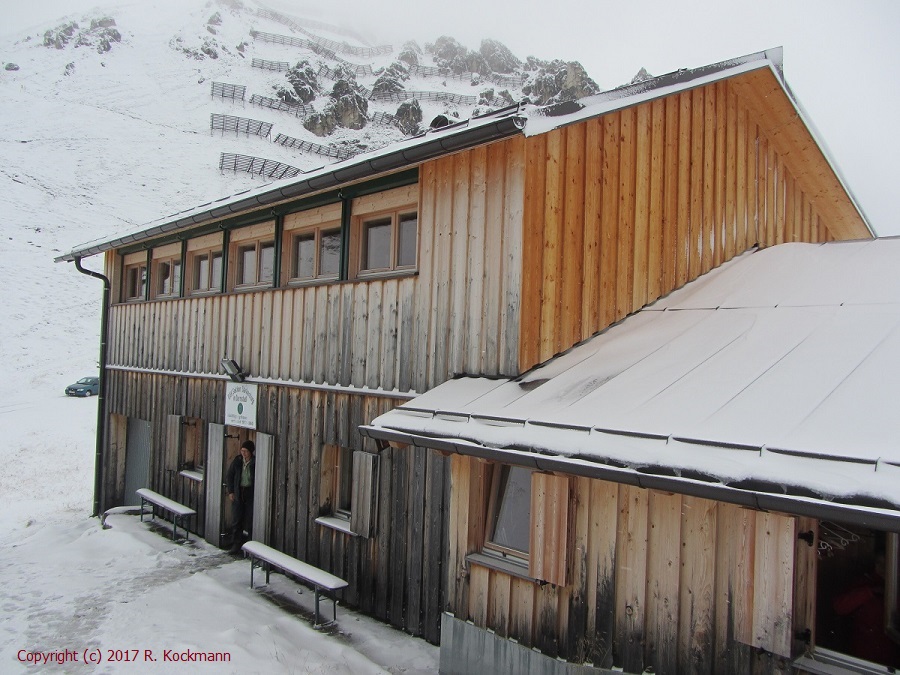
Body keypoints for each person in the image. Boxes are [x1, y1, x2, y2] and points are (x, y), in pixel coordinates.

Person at [226, 440, 255, 553]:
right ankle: (236, 544)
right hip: (239, 491)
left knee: (250, 519)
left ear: (251, 452)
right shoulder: (238, 461)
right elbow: (230, 476)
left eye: (246, 451)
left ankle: (250, 546)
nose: (243, 453)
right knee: (236, 519)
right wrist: (231, 491)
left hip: (250, 492)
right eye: (242, 451)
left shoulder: (254, 462)